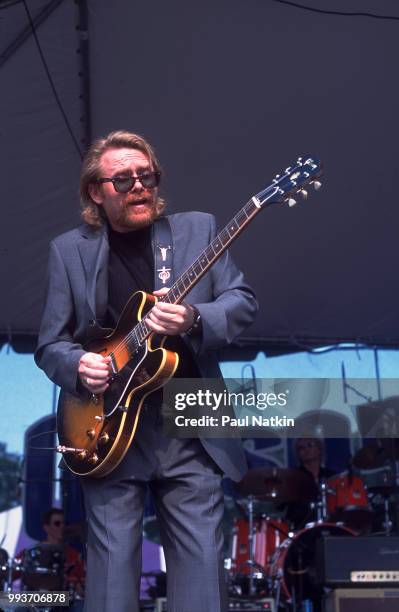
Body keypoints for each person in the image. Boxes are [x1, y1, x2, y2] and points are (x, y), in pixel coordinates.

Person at [35, 130, 258, 612]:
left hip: (190, 417)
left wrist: (195, 317)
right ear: (96, 192)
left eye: (147, 176)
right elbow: (51, 344)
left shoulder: (198, 230)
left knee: (201, 569)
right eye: (123, 180)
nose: (139, 187)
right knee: (112, 574)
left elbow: (242, 302)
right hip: (109, 427)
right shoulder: (68, 250)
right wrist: (80, 364)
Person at [15, 508, 85, 597]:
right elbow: (11, 572)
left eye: (64, 524)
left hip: (64, 601)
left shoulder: (74, 555)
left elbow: (83, 581)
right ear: (46, 527)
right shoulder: (32, 552)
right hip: (35, 600)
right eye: (57, 524)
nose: (62, 527)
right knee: (7, 601)